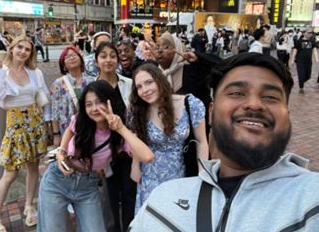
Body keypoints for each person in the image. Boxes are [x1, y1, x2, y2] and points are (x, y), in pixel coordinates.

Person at [128, 53, 319, 231]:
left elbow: (202, 142)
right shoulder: (162, 201)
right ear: (212, 111)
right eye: (236, 93)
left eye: (270, 97)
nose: (254, 104)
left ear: (287, 114)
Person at [37, 81, 153, 232]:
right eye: (89, 104)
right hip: (57, 180)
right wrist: (61, 151)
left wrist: (121, 129)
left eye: (100, 102)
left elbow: (148, 156)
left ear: (110, 102)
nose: (94, 109)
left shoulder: (119, 135)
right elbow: (70, 130)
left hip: (88, 186)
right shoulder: (82, 121)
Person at [0, 36, 51, 232]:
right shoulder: (0, 72)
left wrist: (47, 125)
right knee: (10, 174)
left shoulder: (35, 72)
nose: (23, 52)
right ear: (12, 49)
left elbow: (43, 97)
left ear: (31, 53)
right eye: (19, 47)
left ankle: (29, 207)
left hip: (35, 123)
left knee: (33, 168)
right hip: (16, 126)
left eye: (27, 49)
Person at [128, 63, 209, 213]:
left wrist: (203, 173)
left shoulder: (190, 104)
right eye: (139, 87)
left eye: (149, 82)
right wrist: (135, 165)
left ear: (160, 80)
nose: (144, 90)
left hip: (182, 174)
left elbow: (202, 141)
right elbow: (137, 139)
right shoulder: (139, 111)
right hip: (150, 177)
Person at [93, 42, 136, 231]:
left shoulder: (128, 84)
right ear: (96, 61)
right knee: (110, 196)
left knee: (129, 193)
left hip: (127, 148)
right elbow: (88, 124)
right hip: (105, 151)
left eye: (112, 55)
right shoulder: (92, 88)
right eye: (103, 56)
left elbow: (136, 116)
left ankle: (129, 227)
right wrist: (95, 161)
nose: (108, 60)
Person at [154, 32, 221, 142]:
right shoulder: (155, 76)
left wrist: (198, 57)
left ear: (178, 48)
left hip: (197, 139)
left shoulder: (193, 71)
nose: (160, 51)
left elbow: (221, 65)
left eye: (166, 47)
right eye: (157, 47)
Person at [50, 46, 93, 140]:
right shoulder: (58, 84)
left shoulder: (91, 81)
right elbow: (54, 111)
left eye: (74, 55)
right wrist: (56, 134)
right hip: (67, 130)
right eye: (68, 57)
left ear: (81, 60)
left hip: (90, 127)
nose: (72, 58)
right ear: (63, 65)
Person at [290, 28, 319, 94]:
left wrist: (316, 58)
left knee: (308, 76)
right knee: (301, 75)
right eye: (308, 33)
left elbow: (314, 50)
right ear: (304, 33)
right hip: (300, 61)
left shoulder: (312, 41)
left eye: (311, 33)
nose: (310, 34)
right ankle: (301, 88)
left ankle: (301, 82)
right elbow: (295, 51)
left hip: (308, 61)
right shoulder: (299, 41)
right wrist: (292, 60)